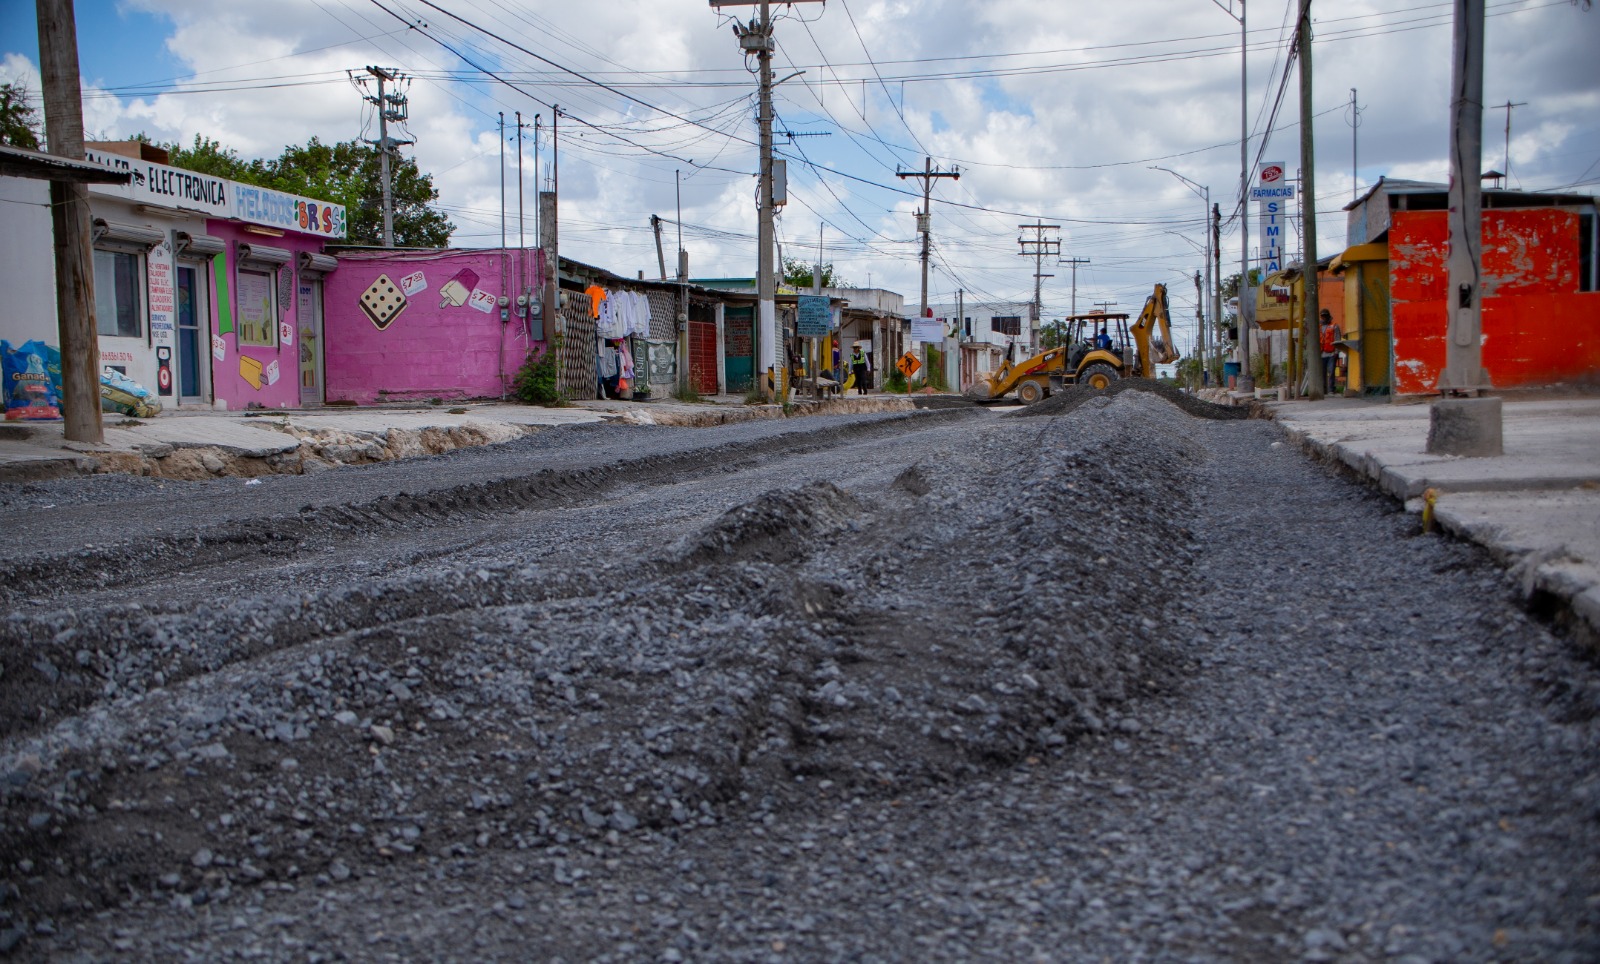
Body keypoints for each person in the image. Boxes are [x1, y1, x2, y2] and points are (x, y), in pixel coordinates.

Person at [1319, 308, 1339, 394]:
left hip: (1331, 353)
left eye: (1325, 316)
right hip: (1321, 354)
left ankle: (1331, 389)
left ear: (1328, 316)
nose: (1324, 317)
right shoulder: (1318, 327)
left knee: (1331, 372)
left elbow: (1337, 340)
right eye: (1322, 316)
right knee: (1322, 373)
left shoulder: (1335, 326)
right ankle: (1323, 390)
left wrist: (1336, 352)